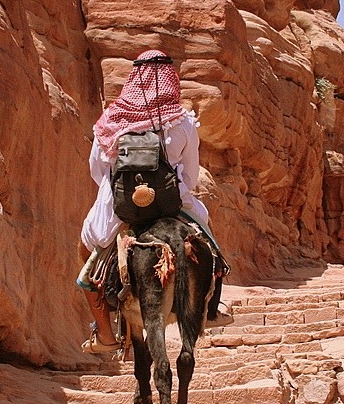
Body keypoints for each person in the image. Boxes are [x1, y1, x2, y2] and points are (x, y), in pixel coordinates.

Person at [77, 49, 230, 354]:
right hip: (171, 202)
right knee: (208, 240)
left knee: (86, 253)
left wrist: (120, 194)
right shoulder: (182, 121)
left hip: (119, 205)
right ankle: (211, 307)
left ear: (134, 79)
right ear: (171, 80)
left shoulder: (111, 120)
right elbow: (190, 173)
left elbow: (97, 170)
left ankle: (105, 334)